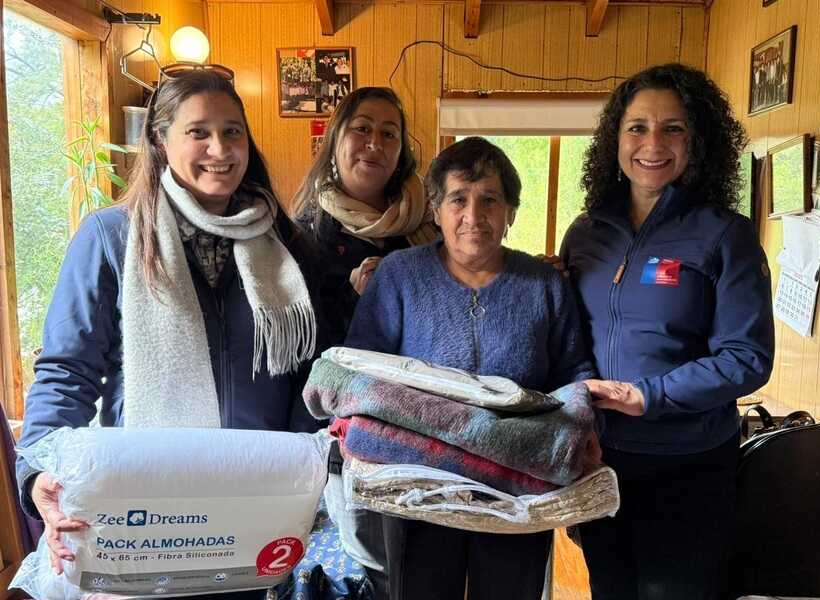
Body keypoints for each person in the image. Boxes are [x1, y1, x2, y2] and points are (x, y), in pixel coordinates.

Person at [15, 68, 321, 599]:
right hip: (146, 510)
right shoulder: (111, 237)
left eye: (232, 131)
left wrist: (303, 474)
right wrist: (36, 472)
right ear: (160, 139)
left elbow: (306, 372)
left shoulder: (285, 244)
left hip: (256, 504)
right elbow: (67, 371)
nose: (219, 149)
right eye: (198, 132)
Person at [344, 136, 599, 600]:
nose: (473, 216)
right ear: (436, 210)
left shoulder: (544, 284)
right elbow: (363, 367)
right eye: (458, 199)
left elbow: (573, 371)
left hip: (517, 489)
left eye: (490, 200)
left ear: (510, 212)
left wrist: (580, 430)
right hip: (421, 486)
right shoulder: (400, 275)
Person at [560, 63, 775, 600]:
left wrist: (648, 396)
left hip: (688, 463)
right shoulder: (586, 231)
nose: (652, 144)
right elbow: (569, 336)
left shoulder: (725, 234)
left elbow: (747, 356)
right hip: (600, 459)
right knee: (610, 588)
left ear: (697, 140)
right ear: (615, 139)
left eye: (673, 128)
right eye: (637, 127)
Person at [292, 85, 437, 598]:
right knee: (371, 570)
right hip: (348, 436)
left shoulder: (428, 229)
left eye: (389, 133)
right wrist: (358, 304)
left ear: (402, 151)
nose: (374, 143)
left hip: (428, 429)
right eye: (362, 129)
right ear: (336, 139)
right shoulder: (302, 235)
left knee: (427, 568)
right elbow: (298, 349)